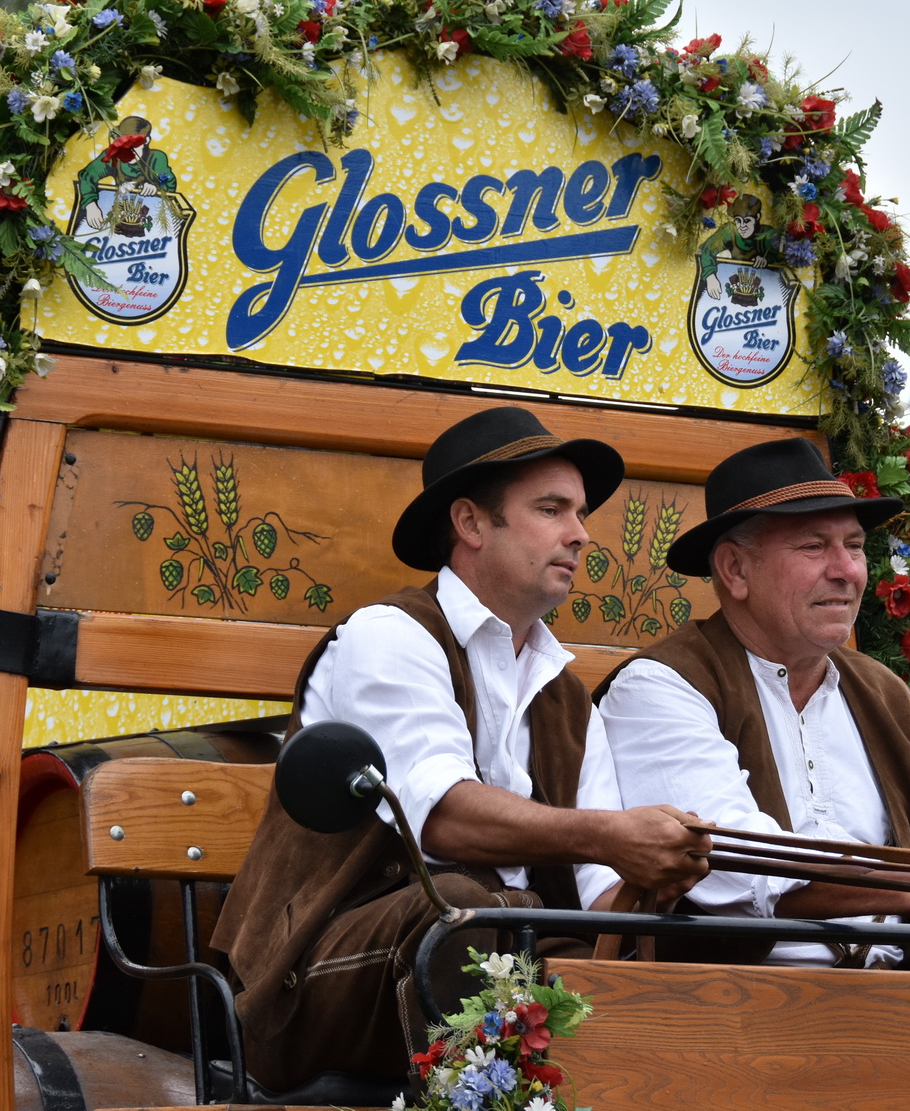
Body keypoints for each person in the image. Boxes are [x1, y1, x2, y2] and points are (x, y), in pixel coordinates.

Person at [211, 406, 710, 1094]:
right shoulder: (389, 634)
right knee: (459, 907)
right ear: (471, 523)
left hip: (495, 951)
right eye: (551, 508)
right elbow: (441, 816)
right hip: (309, 987)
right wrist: (612, 833)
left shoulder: (566, 695)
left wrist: (660, 873)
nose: (581, 534)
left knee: (636, 966)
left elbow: (602, 901)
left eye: (581, 512)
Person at [596, 437, 910, 971]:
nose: (846, 570)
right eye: (812, 547)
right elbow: (739, 865)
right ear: (734, 570)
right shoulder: (660, 686)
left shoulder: (896, 703)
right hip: (722, 1019)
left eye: (853, 545)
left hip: (902, 1011)